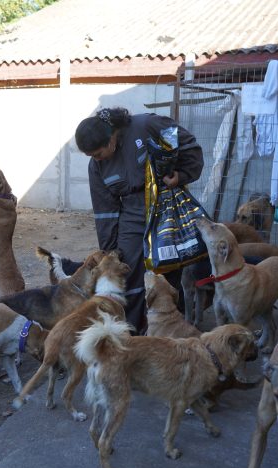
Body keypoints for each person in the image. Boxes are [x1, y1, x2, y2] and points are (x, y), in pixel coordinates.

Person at [75, 107, 204, 334]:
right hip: (132, 214)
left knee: (166, 274)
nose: (96, 160)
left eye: (97, 153)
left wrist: (181, 176)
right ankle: (131, 335)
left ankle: (170, 332)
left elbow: (191, 148)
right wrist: (110, 250)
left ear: (112, 137)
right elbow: (105, 210)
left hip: (167, 209)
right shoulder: (96, 167)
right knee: (129, 271)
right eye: (91, 156)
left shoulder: (147, 126)